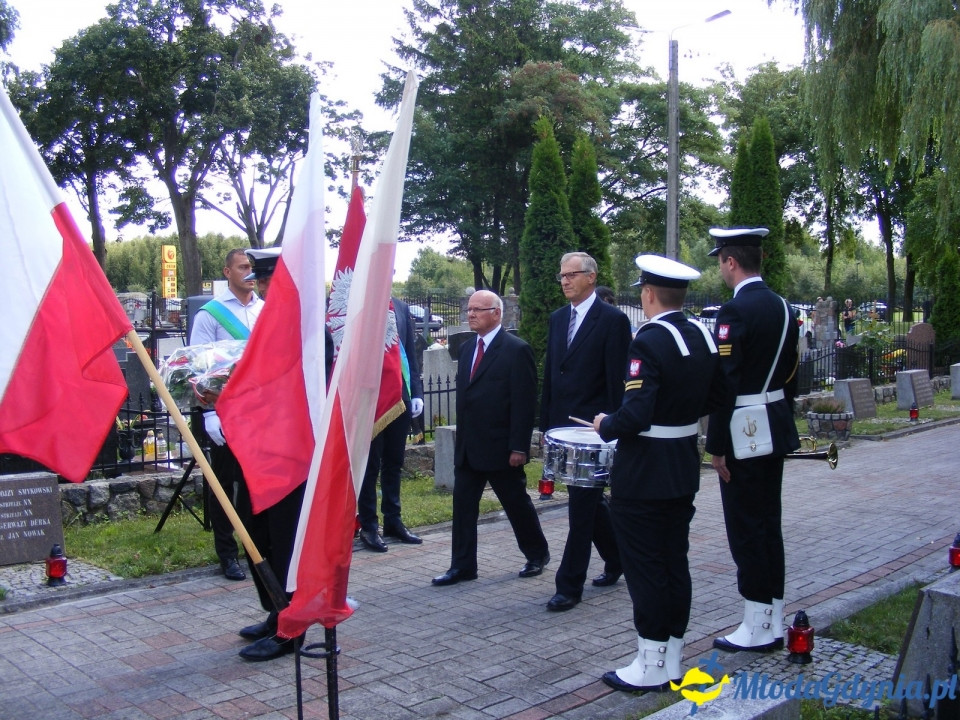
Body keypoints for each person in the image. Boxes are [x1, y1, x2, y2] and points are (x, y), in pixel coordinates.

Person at [593, 255, 726, 692]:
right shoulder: (702, 334)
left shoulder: (649, 339)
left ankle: (650, 662)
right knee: (674, 562)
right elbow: (718, 396)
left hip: (645, 469)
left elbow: (634, 414)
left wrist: (605, 425)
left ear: (648, 294)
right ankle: (671, 656)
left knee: (645, 565)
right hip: (683, 464)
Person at [704, 227, 801, 653]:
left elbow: (726, 383)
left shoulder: (734, 312)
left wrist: (717, 446)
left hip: (744, 428)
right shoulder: (783, 306)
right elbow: (792, 369)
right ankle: (773, 616)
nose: (721, 269)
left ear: (730, 261)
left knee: (745, 527)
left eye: (720, 261)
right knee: (768, 524)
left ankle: (756, 623)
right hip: (774, 421)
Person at [432, 290, 550, 586]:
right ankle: (462, 566)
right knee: (463, 507)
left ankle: (537, 554)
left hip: (501, 447)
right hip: (470, 447)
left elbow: (523, 403)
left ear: (496, 313)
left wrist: (519, 446)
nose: (470, 314)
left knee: (516, 504)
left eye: (477, 310)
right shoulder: (468, 348)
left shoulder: (516, 349)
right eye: (469, 309)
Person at [540, 253, 631, 612]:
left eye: (572, 275)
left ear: (591, 277)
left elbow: (617, 380)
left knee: (580, 508)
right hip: (563, 428)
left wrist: (613, 426)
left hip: (593, 430)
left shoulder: (612, 321)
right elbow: (551, 374)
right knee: (589, 504)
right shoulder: (558, 318)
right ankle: (618, 556)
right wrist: (546, 425)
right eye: (561, 275)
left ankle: (569, 585)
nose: (564, 281)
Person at [189, 248, 263, 581]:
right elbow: (200, 367)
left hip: (258, 412)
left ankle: (256, 548)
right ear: (228, 272)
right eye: (242, 267)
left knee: (254, 484)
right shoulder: (210, 315)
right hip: (223, 412)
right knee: (223, 485)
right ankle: (227, 554)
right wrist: (209, 413)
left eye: (252, 267)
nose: (249, 272)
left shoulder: (265, 310)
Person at [357, 298, 425, 552]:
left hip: (400, 393)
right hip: (370, 397)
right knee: (370, 465)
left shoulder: (400, 306)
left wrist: (416, 391)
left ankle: (393, 521)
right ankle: (369, 525)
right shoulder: (359, 301)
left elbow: (409, 351)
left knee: (394, 463)